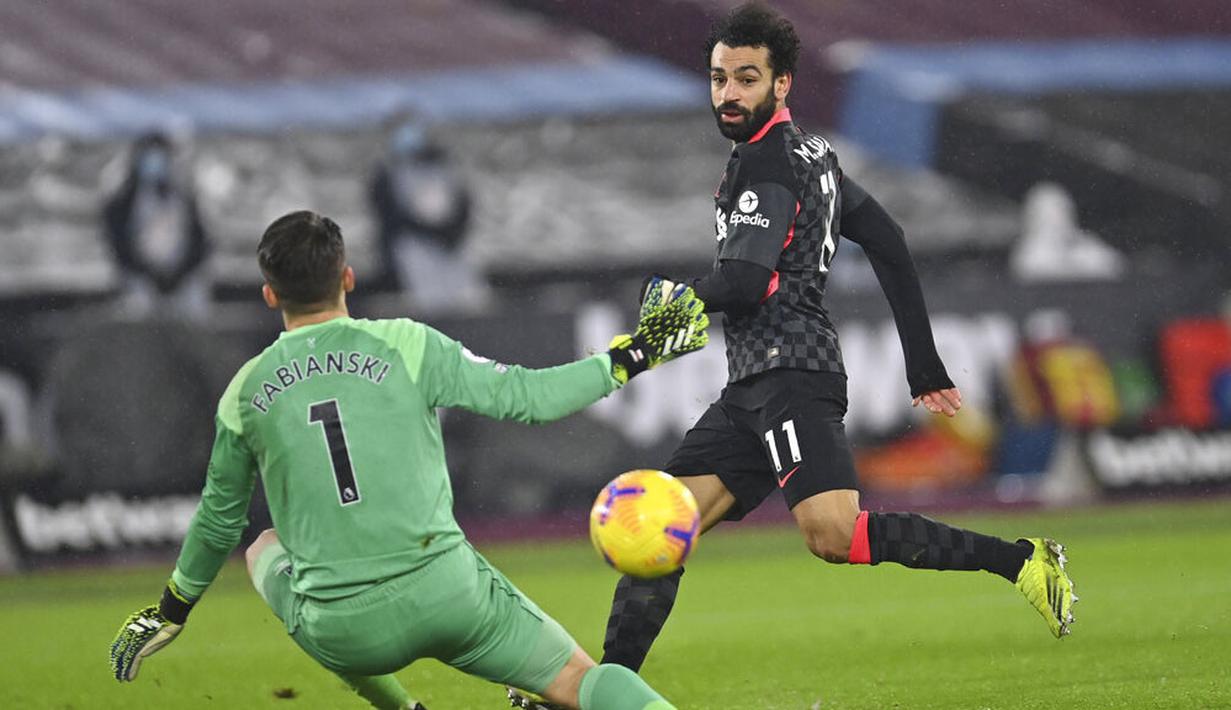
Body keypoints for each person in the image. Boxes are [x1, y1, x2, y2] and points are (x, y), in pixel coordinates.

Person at [597, 1, 1078, 679]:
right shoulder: (812, 155)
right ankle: (600, 688)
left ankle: (1022, 561)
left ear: (782, 83)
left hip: (791, 373)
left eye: (745, 78)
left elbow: (745, 280)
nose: (728, 93)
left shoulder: (767, 161)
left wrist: (682, 300)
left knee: (833, 535)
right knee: (660, 528)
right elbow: (888, 238)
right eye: (718, 78)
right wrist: (922, 361)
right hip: (752, 385)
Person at [108, 211, 709, 710]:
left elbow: (218, 521)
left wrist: (172, 610)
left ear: (269, 294)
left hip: (346, 634)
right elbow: (531, 399)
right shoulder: (408, 344)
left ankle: (401, 708)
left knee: (263, 548)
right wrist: (638, 352)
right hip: (449, 597)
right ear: (347, 277)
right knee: (582, 683)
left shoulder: (244, 392)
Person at [369, 116, 492, 314]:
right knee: (429, 300)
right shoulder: (389, 173)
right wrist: (426, 231)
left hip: (451, 242)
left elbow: (463, 202)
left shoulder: (445, 168)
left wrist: (452, 231)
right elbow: (390, 215)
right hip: (415, 244)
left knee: (467, 297)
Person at [102, 131, 212, 320]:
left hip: (183, 281)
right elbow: (118, 243)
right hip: (139, 282)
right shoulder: (124, 200)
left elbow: (201, 239)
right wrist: (145, 273)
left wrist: (179, 274)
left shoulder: (185, 196)